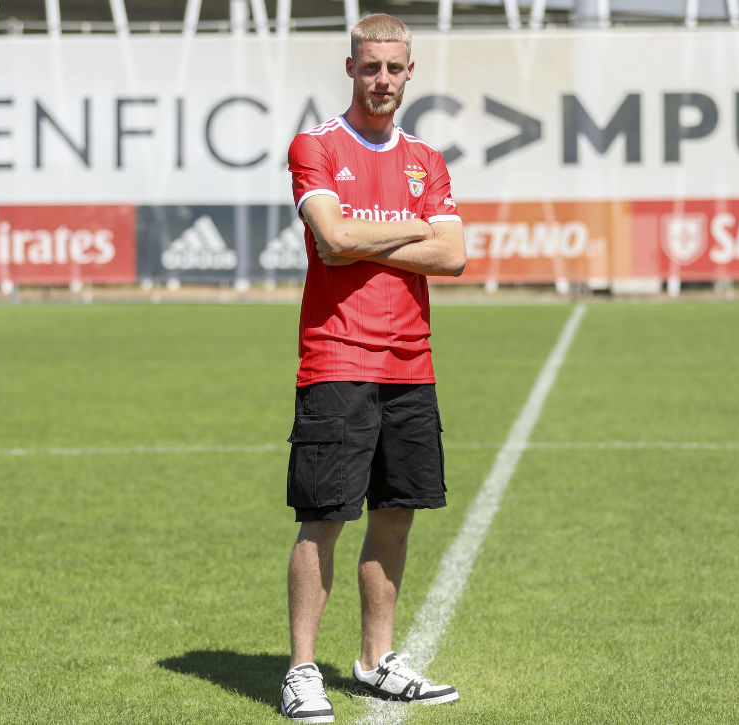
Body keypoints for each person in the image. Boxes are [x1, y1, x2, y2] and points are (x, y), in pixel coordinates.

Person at [279, 13, 467, 724]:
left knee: (396, 515)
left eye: (393, 68)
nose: (381, 79)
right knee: (324, 517)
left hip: (411, 364)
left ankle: (375, 661)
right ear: (350, 68)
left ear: (409, 72)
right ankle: (301, 671)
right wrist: (413, 226)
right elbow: (331, 238)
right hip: (337, 357)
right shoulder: (317, 146)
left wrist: (370, 238)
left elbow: (453, 256)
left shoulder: (428, 159)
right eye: (370, 67)